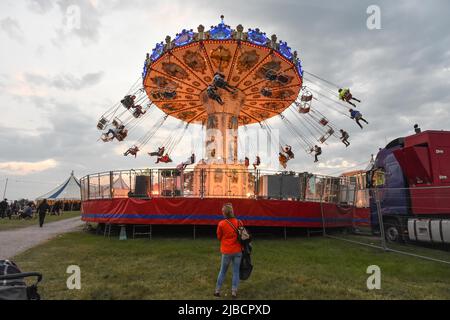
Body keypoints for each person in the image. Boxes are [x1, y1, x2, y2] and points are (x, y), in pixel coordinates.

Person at [214, 203, 244, 299]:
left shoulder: (221, 224)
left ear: (224, 213)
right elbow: (243, 236)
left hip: (227, 251)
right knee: (236, 272)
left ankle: (217, 291)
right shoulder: (239, 222)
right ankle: (234, 292)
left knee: (223, 271)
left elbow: (219, 237)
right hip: (238, 250)